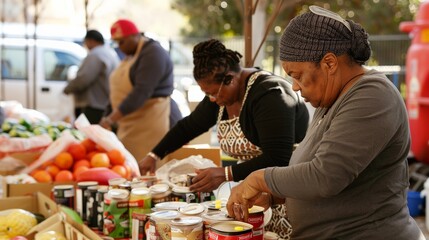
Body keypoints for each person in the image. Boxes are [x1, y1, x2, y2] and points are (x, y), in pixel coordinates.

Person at [226, 5, 425, 240]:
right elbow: (319, 175)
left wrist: (259, 178)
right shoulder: (331, 99)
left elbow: (326, 176)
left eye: (297, 75)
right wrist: (273, 195)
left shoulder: (373, 95)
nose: (295, 87)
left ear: (329, 63)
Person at [99, 19, 182, 161]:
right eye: (117, 43)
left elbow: (141, 92)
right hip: (130, 124)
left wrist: (111, 119)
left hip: (152, 122)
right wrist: (106, 116)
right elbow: (118, 92)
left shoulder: (153, 53)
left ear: (135, 35)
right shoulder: (130, 56)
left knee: (149, 171)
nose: (120, 47)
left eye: (122, 42)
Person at [63, 30, 119, 124]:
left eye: (86, 42)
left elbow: (83, 79)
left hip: (95, 105)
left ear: (91, 41)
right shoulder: (110, 53)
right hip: (106, 103)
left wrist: (68, 89)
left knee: (88, 135)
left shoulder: (96, 54)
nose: (86, 45)